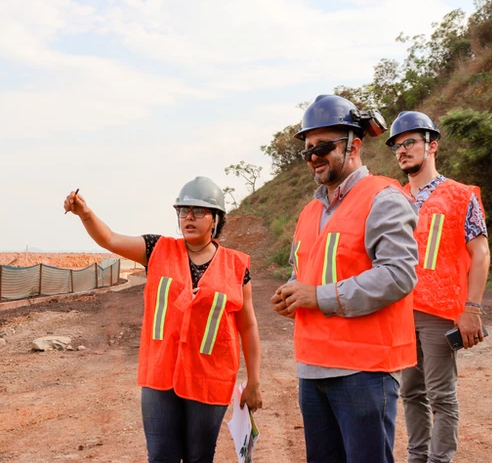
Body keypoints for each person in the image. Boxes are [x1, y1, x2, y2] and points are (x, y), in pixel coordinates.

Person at [64, 177, 262, 463]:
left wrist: (254, 381)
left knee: (199, 457)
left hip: (210, 379)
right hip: (160, 376)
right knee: (160, 456)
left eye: (199, 211)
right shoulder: (157, 248)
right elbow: (110, 239)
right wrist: (85, 213)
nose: (189, 217)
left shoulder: (236, 266)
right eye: (183, 211)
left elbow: (248, 325)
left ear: (216, 219)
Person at [270, 94, 419, 463]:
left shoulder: (383, 198)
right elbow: (304, 273)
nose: (313, 156)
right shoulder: (309, 212)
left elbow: (398, 274)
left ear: (354, 144)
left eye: (322, 146)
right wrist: (292, 294)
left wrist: (317, 296)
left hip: (363, 371)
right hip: (312, 367)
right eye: (307, 149)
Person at [385, 111, 490, 463]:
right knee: (410, 392)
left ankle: (439, 460)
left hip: (440, 313)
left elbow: (481, 253)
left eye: (410, 142)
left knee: (441, 395)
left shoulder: (460, 195)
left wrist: (472, 308)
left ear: (432, 146)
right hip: (400, 311)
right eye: (397, 146)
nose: (402, 150)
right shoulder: (393, 198)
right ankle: (417, 458)